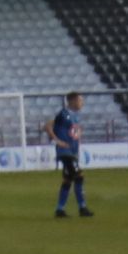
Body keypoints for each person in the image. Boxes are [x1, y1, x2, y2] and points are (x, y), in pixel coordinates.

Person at [51, 91, 92, 219]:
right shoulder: (63, 114)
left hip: (72, 152)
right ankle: (82, 208)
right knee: (79, 176)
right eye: (80, 100)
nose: (82, 103)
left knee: (68, 180)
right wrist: (57, 141)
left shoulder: (75, 116)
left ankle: (59, 210)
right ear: (73, 101)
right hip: (65, 153)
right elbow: (47, 126)